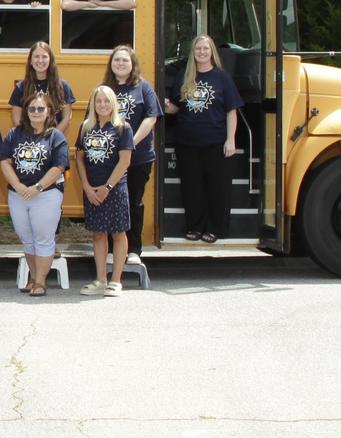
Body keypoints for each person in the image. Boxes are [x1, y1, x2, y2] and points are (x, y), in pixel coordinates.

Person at [164, 34, 242, 243]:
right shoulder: (184, 76)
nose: (202, 52)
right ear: (193, 53)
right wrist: (162, 105)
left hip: (216, 142)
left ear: (212, 52)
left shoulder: (222, 77)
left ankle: (215, 228)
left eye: (206, 48)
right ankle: (195, 227)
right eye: (198, 49)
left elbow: (231, 111)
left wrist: (230, 140)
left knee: (217, 188)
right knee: (192, 187)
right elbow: (175, 107)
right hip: (187, 142)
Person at [0, 91, 70, 297]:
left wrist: (37, 187)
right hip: (18, 195)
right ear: (26, 111)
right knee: (27, 239)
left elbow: (59, 166)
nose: (36, 112)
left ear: (49, 111)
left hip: (46, 194)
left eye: (41, 108)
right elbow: (5, 161)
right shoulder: (14, 134)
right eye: (32, 109)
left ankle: (40, 282)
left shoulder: (55, 136)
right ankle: (33, 277)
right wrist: (19, 186)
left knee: (44, 239)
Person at [104, 45, 161, 265]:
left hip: (139, 157)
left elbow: (151, 118)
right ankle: (111, 248)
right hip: (110, 159)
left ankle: (134, 249)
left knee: (133, 201)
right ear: (111, 63)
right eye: (117, 60)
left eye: (125, 60)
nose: (120, 64)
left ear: (132, 64)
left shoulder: (143, 87)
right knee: (111, 201)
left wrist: (130, 143)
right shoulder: (105, 88)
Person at [77, 85, 136, 297]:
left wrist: (107, 187)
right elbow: (79, 157)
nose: (102, 105)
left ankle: (116, 280)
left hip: (115, 189)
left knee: (118, 233)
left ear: (113, 103)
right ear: (93, 104)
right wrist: (86, 186)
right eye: (98, 101)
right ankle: (100, 280)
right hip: (92, 189)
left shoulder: (123, 128)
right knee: (98, 234)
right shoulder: (85, 127)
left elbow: (125, 160)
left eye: (106, 101)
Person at [9, 41, 75, 131]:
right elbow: (16, 120)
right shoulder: (21, 87)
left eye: (44, 57)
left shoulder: (63, 86)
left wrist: (53, 137)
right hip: (29, 141)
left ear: (50, 60)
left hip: (54, 141)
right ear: (31, 61)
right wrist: (33, 138)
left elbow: (67, 117)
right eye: (36, 56)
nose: (40, 60)